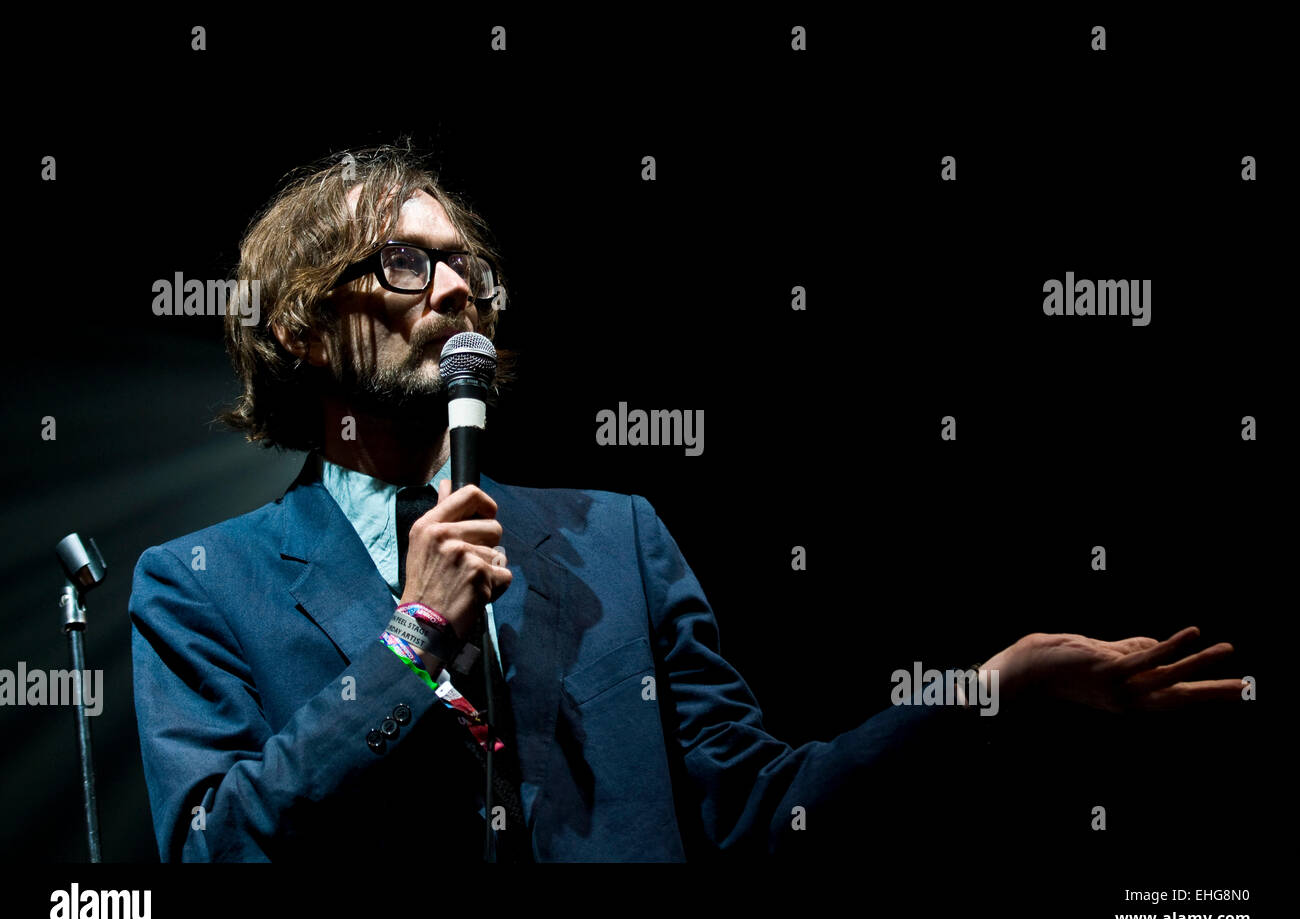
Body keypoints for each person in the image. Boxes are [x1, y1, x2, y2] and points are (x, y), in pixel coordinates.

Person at [129, 146, 1245, 862]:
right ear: (299, 329)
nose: (460, 288)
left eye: (468, 267)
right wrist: (411, 637)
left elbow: (761, 810)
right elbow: (216, 847)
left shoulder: (613, 535)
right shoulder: (197, 583)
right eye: (405, 266)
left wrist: (990, 687)